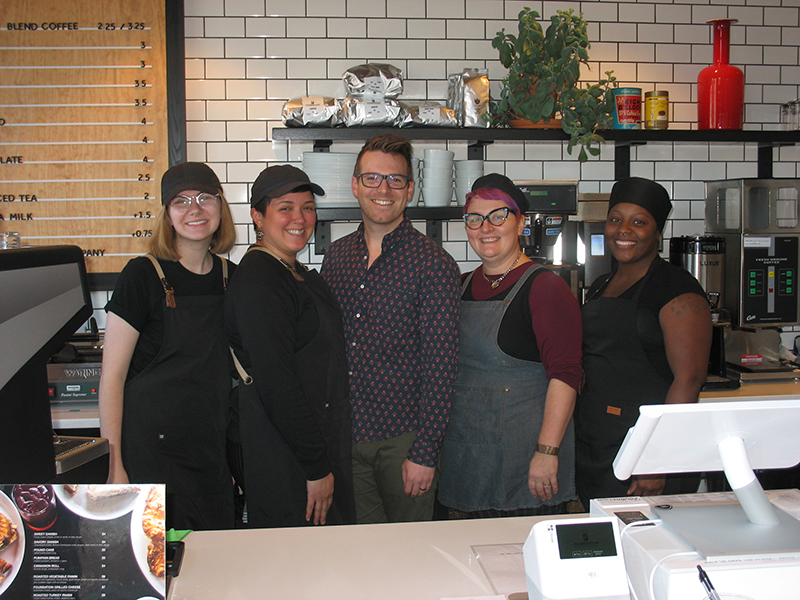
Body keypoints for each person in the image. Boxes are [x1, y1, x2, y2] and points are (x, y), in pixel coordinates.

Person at [321, 133, 461, 523]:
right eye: (372, 178)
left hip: (405, 440)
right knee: (361, 552)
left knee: (412, 555)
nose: (383, 189)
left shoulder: (433, 264)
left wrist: (425, 450)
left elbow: (441, 366)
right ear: (355, 185)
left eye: (395, 180)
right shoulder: (337, 258)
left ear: (410, 189)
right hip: (347, 435)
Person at [99, 162, 237, 530]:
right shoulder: (142, 275)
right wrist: (115, 469)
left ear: (221, 207)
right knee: (159, 570)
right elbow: (111, 378)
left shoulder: (231, 278)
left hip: (210, 454)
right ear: (167, 214)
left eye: (205, 198)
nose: (195, 209)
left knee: (213, 567)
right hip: (150, 457)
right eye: (181, 201)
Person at [438, 174, 582, 518]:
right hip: (465, 460)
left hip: (525, 464)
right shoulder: (459, 286)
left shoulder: (545, 288)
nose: (486, 227)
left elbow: (566, 376)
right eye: (474, 219)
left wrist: (547, 452)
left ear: (520, 224)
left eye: (498, 216)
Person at [224, 165, 355, 528]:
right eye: (285, 207)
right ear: (258, 216)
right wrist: (315, 469)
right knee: (301, 569)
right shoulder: (260, 281)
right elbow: (277, 383)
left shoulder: (290, 271)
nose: (299, 218)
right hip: (285, 454)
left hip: (314, 443)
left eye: (308, 207)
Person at [576, 177, 713, 507]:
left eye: (639, 222)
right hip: (598, 443)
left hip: (644, 451)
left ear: (657, 232)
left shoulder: (677, 290)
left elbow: (689, 379)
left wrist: (657, 458)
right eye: (615, 219)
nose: (623, 230)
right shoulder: (600, 284)